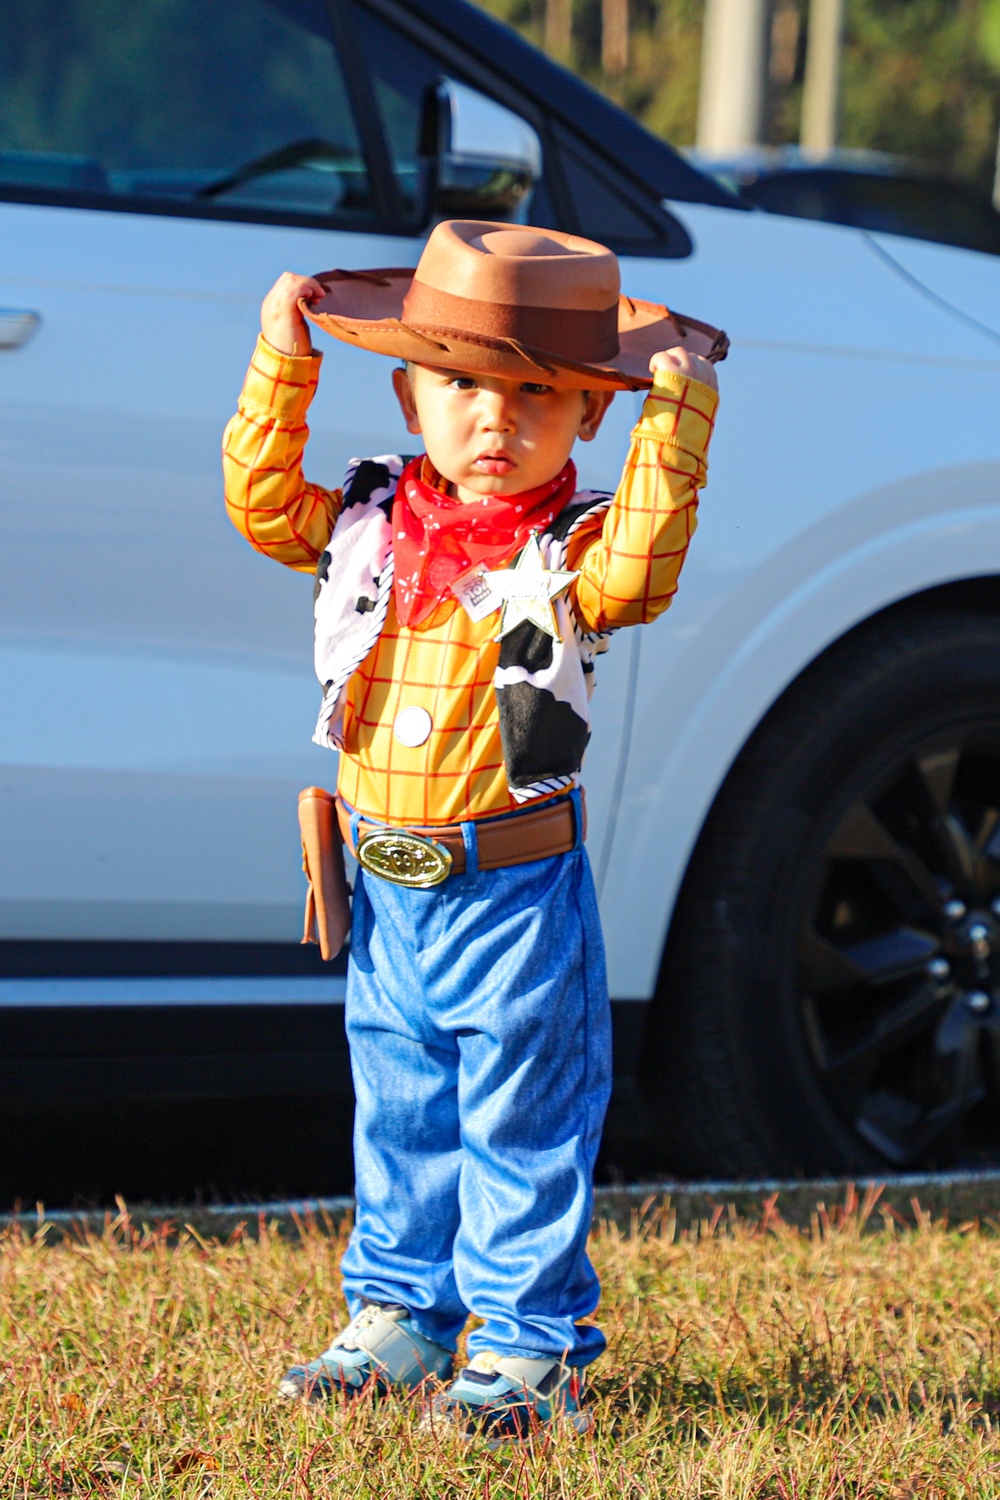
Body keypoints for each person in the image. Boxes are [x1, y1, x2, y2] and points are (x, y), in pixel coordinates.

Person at [222, 220, 721, 1440]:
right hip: (385, 882)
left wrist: (678, 419)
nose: (494, 419)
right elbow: (258, 504)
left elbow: (643, 575)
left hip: (510, 890)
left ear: (588, 417)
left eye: (536, 395)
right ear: (406, 390)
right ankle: (399, 1312)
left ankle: (527, 1345)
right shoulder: (363, 520)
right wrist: (282, 361)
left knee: (519, 1120)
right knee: (397, 1105)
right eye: (460, 385)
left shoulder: (578, 549)